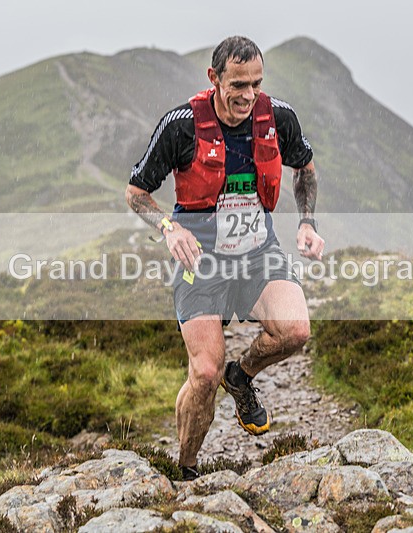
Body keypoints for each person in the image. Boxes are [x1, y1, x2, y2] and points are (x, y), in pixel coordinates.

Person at [125, 35, 324, 481]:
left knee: (295, 330)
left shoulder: (278, 118)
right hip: (201, 262)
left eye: (256, 84)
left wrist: (307, 222)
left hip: (258, 254)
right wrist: (169, 228)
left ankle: (243, 375)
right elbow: (136, 193)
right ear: (214, 78)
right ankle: (186, 469)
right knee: (204, 372)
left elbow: (305, 168)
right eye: (238, 85)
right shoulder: (180, 127)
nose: (248, 95)